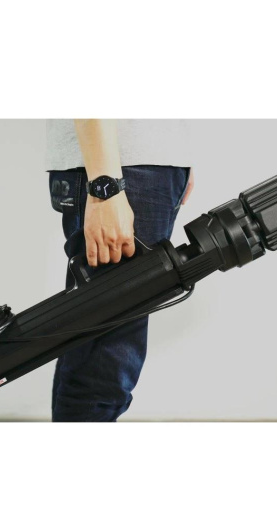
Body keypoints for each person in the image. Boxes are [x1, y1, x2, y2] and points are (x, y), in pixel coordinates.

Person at [46, 119, 194, 422]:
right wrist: (105, 188)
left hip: (136, 165)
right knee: (104, 367)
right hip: (120, 170)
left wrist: (177, 156)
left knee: (91, 349)